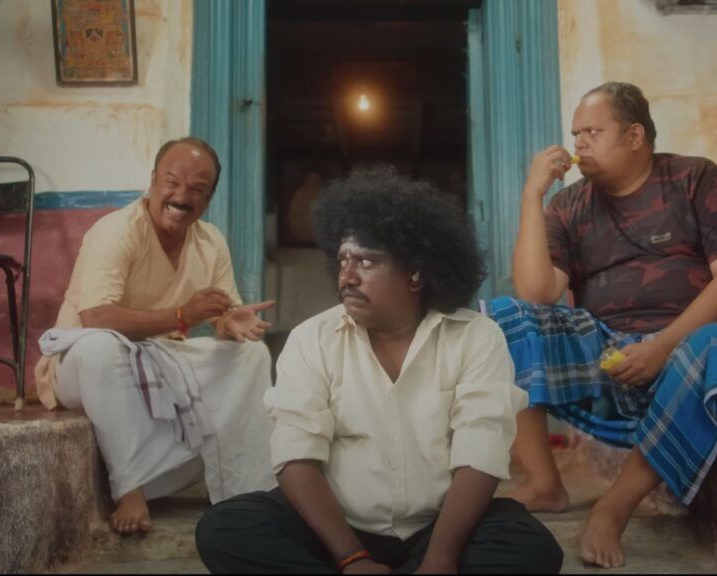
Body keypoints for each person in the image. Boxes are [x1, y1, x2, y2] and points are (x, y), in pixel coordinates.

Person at [195, 166, 564, 574]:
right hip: (336, 531)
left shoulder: (476, 336)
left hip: (440, 529)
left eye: (366, 261)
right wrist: (352, 558)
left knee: (533, 550)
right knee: (224, 528)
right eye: (342, 261)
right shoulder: (311, 339)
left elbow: (481, 454)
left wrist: (440, 558)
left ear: (416, 273)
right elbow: (296, 457)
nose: (347, 277)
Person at [493, 81, 717, 568]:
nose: (579, 143)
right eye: (576, 134)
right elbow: (536, 295)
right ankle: (544, 483)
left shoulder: (695, 178)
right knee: (504, 318)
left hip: (690, 351)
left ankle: (614, 507)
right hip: (612, 360)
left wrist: (662, 347)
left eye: (593, 132)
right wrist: (533, 195)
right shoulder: (569, 204)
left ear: (635, 136)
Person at [34, 137, 277, 534]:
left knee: (252, 355)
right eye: (172, 182)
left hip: (159, 356)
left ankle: (245, 489)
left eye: (196, 189)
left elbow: (221, 312)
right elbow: (95, 317)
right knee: (101, 348)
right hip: (80, 363)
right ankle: (130, 487)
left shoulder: (211, 241)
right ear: (152, 181)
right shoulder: (116, 230)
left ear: (209, 199)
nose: (181, 197)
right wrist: (182, 317)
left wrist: (230, 324)